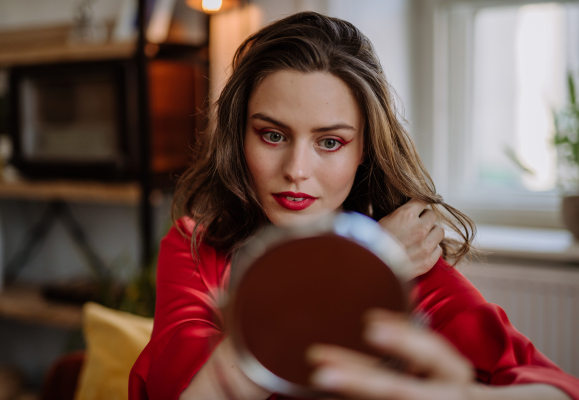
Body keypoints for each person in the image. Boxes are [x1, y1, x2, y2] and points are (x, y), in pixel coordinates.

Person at [129, 11, 579, 400]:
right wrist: (352, 275)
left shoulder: (407, 267)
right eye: (272, 135)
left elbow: (553, 387)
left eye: (330, 142)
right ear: (239, 135)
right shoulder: (197, 246)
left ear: (363, 148)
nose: (296, 169)